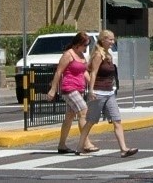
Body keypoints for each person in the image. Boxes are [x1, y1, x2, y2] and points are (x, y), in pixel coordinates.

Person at [78, 29, 138, 158]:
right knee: (91, 121)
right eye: (110, 39)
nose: (112, 42)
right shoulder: (98, 55)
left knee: (117, 120)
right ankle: (80, 146)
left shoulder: (108, 54)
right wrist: (91, 90)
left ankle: (124, 149)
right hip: (98, 92)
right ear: (103, 40)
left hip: (109, 92)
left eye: (113, 39)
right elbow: (93, 73)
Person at [45, 32, 95, 155]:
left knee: (69, 116)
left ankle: (62, 145)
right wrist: (53, 89)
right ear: (78, 44)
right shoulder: (68, 55)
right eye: (84, 45)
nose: (86, 48)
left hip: (79, 89)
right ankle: (86, 143)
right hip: (69, 88)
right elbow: (58, 72)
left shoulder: (82, 55)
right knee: (84, 111)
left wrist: (93, 86)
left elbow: (84, 72)